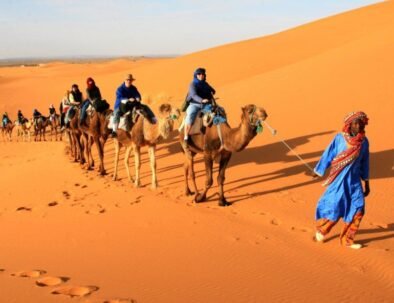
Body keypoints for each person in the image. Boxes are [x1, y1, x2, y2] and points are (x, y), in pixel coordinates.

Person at [313, 111, 370, 249]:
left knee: (359, 209)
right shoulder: (339, 138)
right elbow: (328, 154)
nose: (357, 126)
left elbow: (365, 162)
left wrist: (366, 182)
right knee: (336, 208)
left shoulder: (364, 142)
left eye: (360, 123)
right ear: (349, 125)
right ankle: (323, 230)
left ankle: (347, 240)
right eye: (355, 123)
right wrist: (318, 170)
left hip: (355, 182)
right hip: (338, 181)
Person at [183, 67, 216, 143]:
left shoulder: (205, 84)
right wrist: (202, 100)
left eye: (202, 74)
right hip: (195, 104)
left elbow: (212, 89)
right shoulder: (193, 84)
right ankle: (186, 136)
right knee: (190, 114)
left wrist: (213, 91)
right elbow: (193, 95)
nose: (201, 75)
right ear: (196, 75)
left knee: (216, 112)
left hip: (206, 105)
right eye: (199, 74)